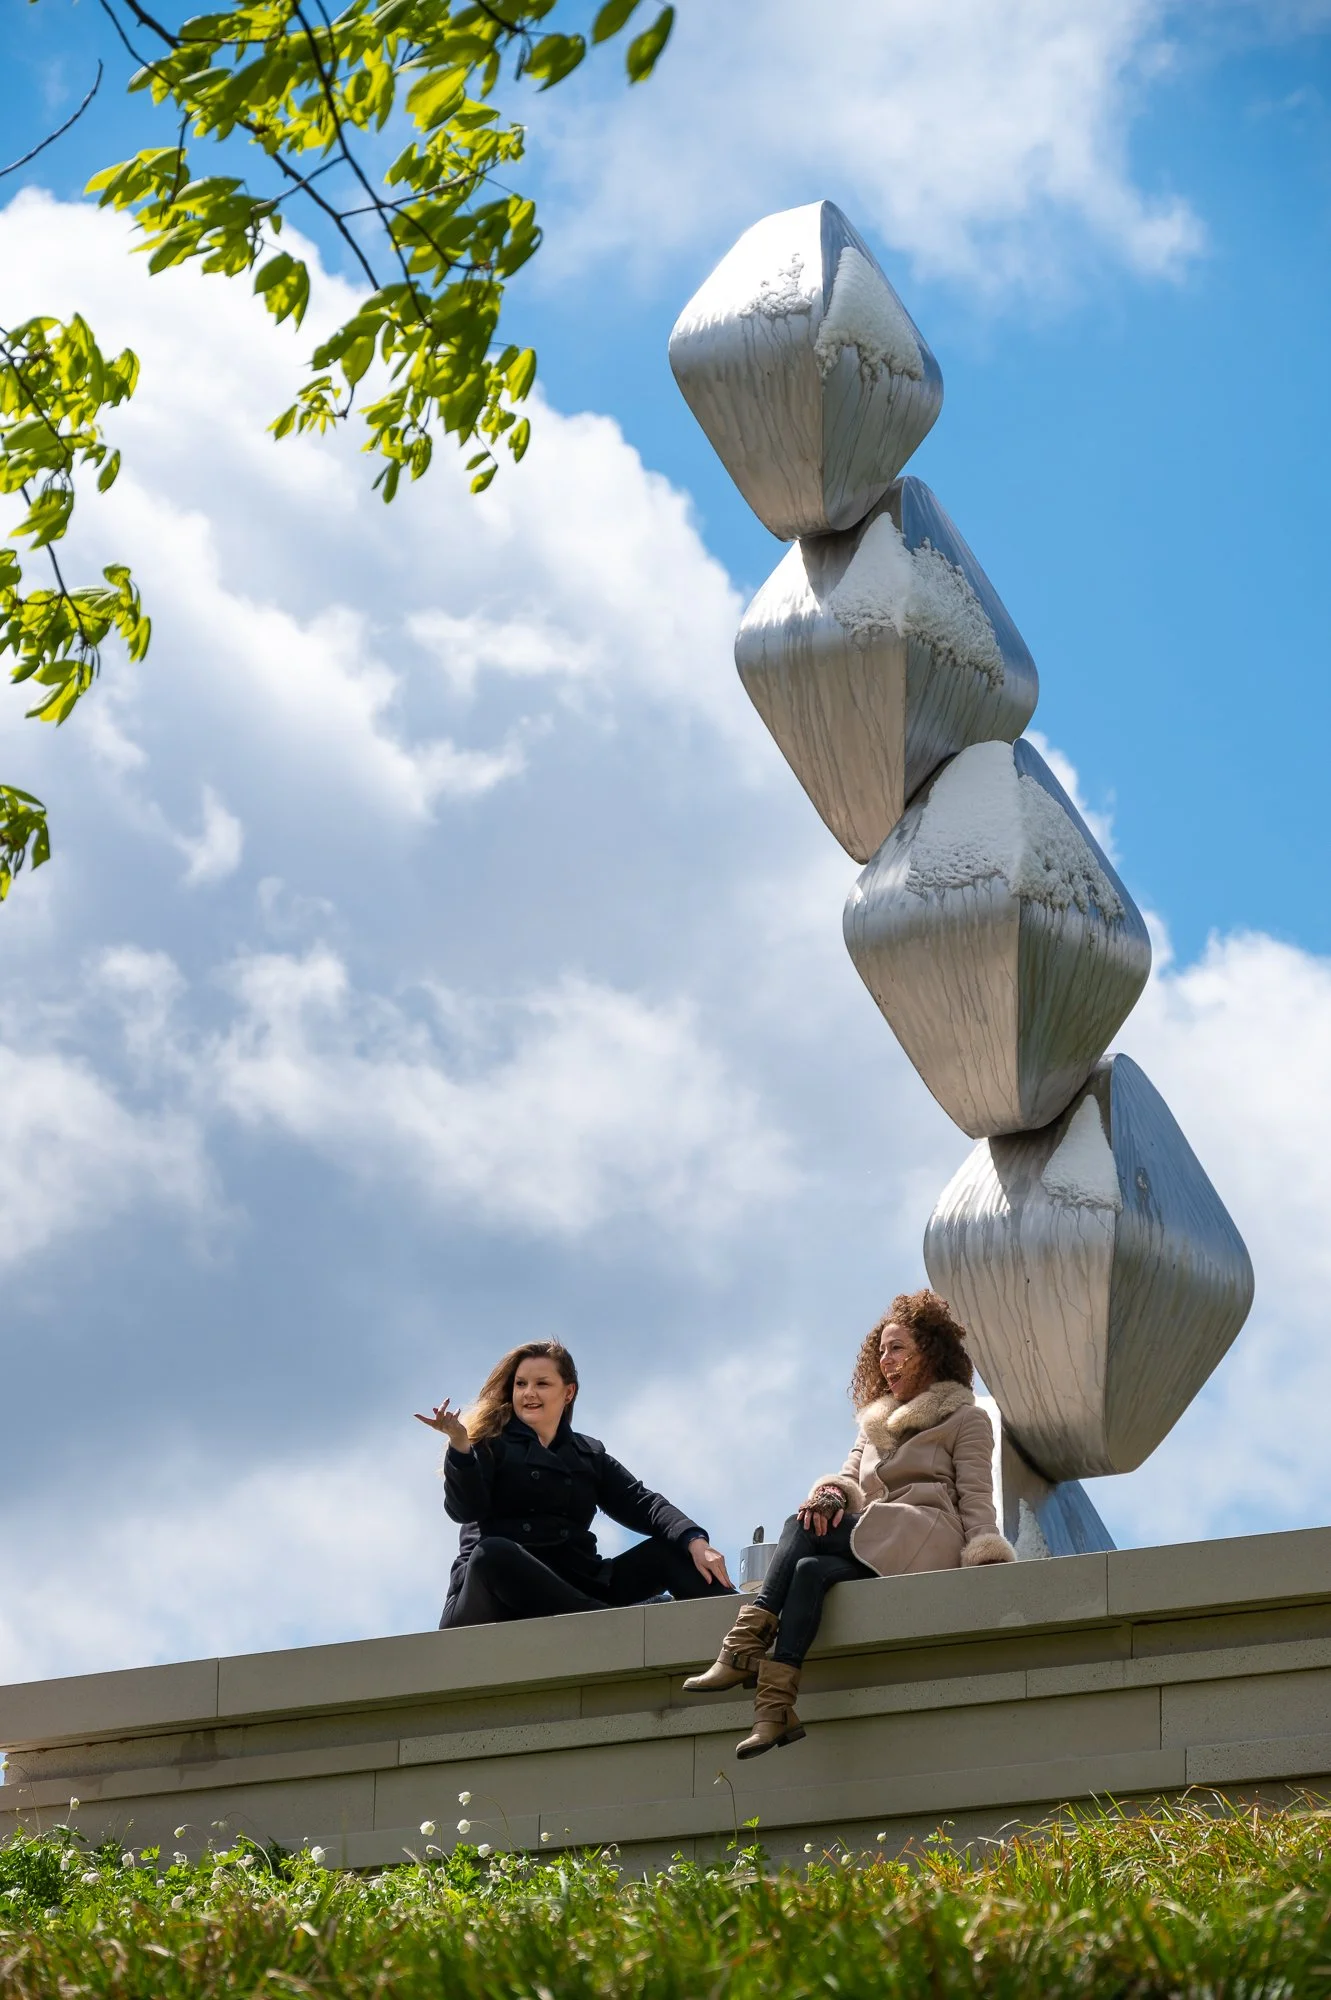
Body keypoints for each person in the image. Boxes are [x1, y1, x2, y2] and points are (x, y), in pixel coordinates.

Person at [683, 1290, 1015, 1759]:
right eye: (881, 1350)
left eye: (897, 1348)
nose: (885, 1360)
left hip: (926, 1534)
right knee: (808, 1568)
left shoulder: (966, 1418)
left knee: (799, 1526)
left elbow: (977, 1495)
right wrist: (831, 1496)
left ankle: (740, 1649)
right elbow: (846, 1479)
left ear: (930, 1351)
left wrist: (985, 1555)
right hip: (876, 1540)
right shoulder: (872, 1423)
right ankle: (774, 1711)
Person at [417, 1339, 734, 1627]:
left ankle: (746, 1625)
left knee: (672, 1549)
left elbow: (643, 1504)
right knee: (491, 1554)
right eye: (521, 1384)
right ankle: (611, 1622)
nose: (529, 1393)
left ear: (568, 1392)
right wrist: (460, 1445)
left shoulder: (588, 1455)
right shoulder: (487, 1445)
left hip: (578, 1587)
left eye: (542, 1383)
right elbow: (465, 1509)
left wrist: (696, 1541)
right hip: (492, 1599)